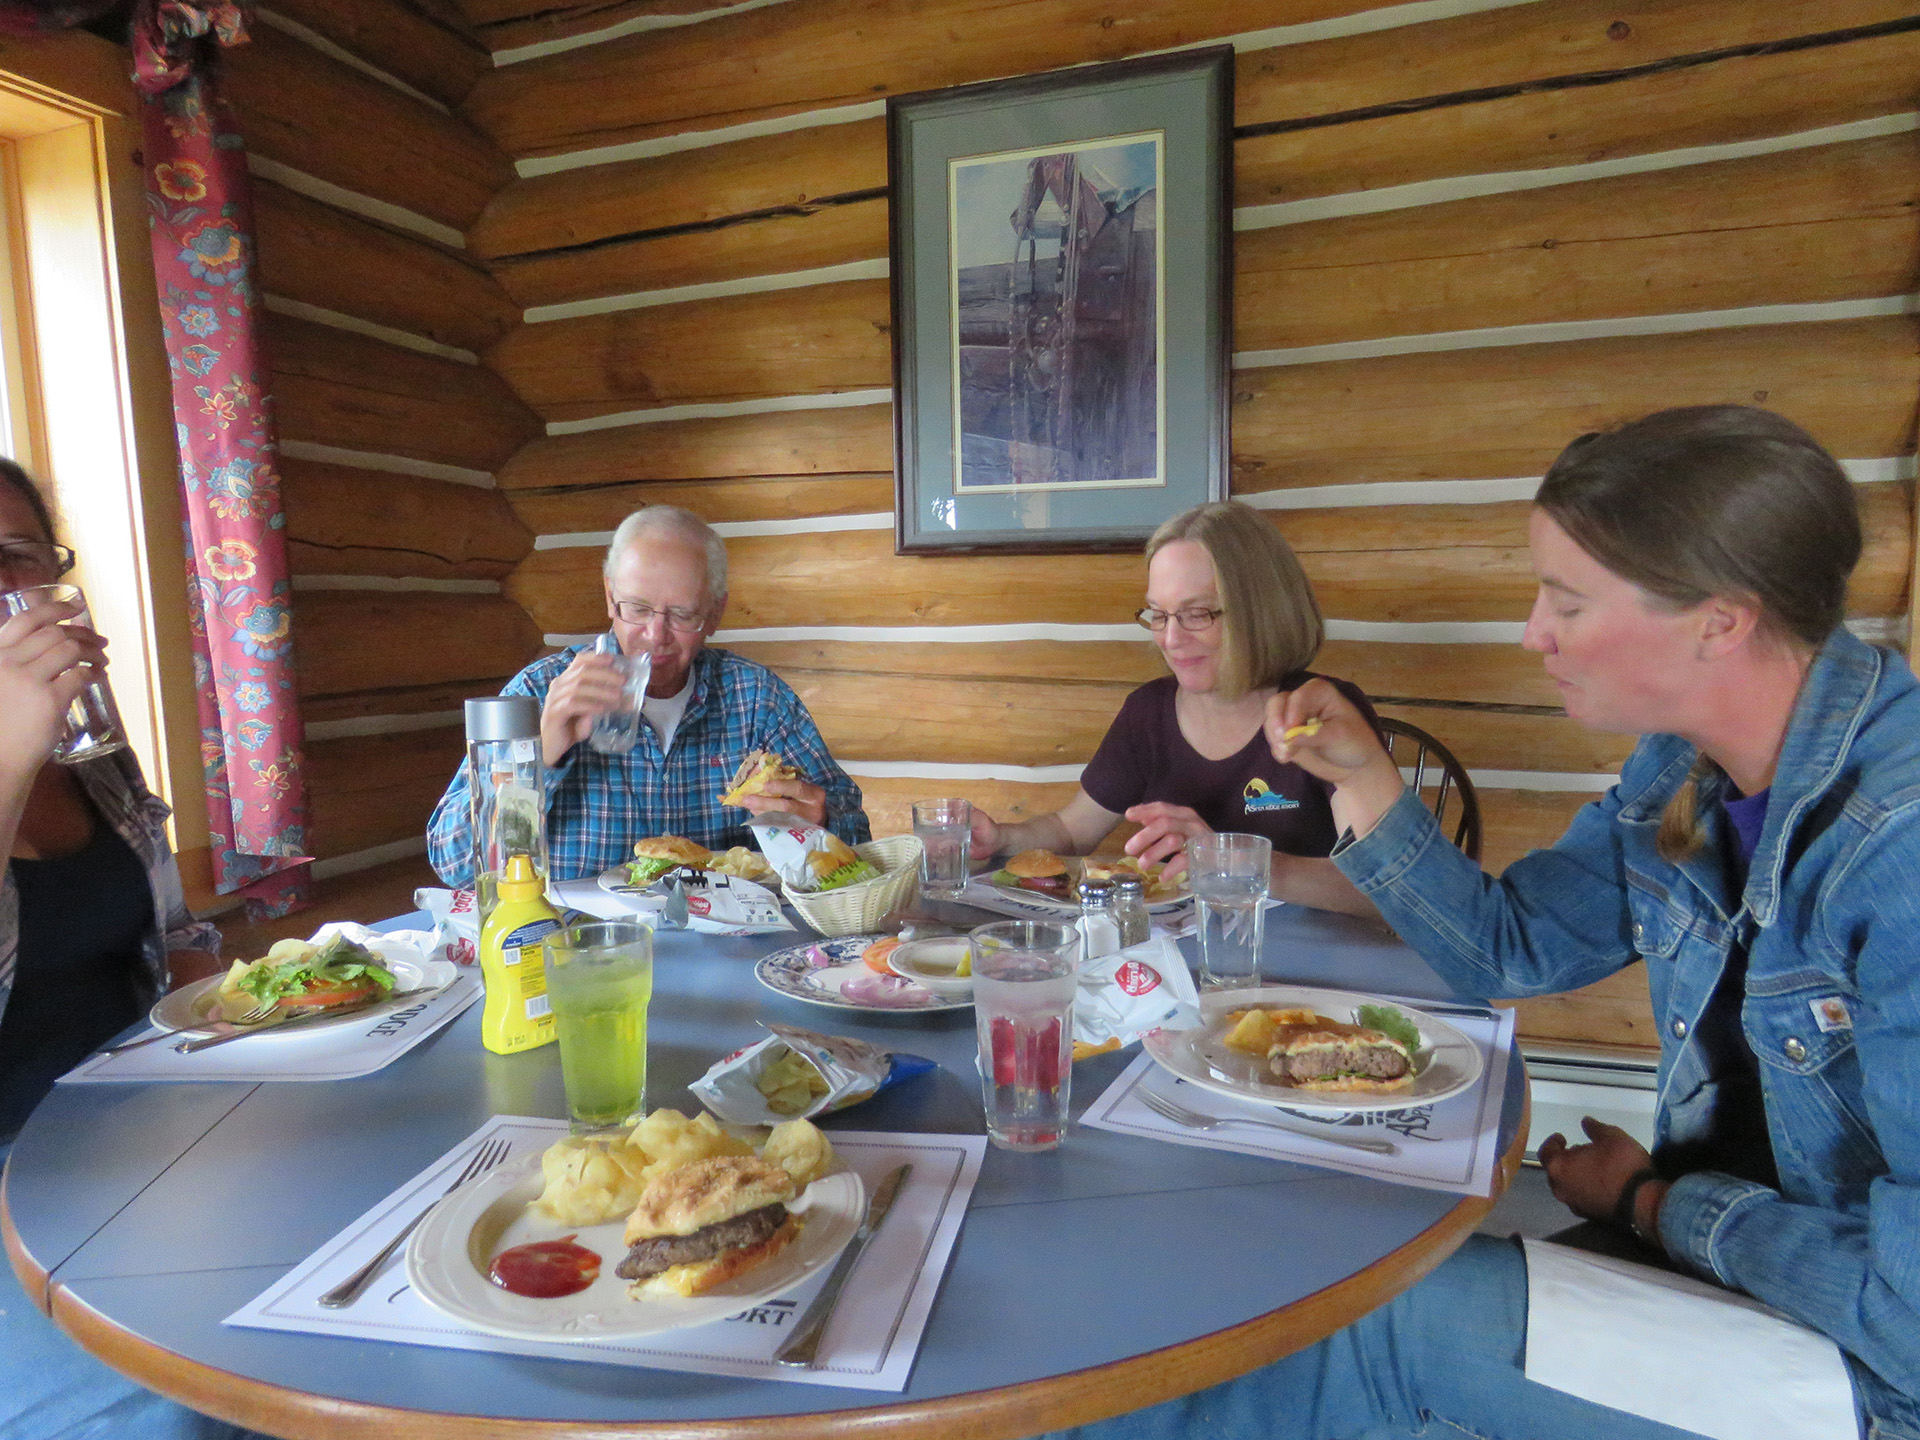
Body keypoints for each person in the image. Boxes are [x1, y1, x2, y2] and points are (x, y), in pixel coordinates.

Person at [1050, 405, 1919, 1440]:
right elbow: (1509, 945)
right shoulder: (1681, 767)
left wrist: (1653, 1205)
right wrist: (1367, 777)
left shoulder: (1897, 848)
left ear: (1718, 621)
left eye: (1566, 599)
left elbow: (1908, 1315)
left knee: (1351, 1323)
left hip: (1865, 1376)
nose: (1532, 633)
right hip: (1748, 1273)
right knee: (1285, 1271)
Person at [0, 459, 265, 1439]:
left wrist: (248, 1030)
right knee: (184, 1413)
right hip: (22, 1185)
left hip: (145, 1131)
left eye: (17, 556)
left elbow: (172, 941)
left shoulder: (92, 748)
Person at [969, 500, 1378, 915]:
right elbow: (1070, 833)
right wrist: (1000, 838)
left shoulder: (1322, 715)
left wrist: (1232, 861)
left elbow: (1378, 891)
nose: (1170, 639)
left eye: (1196, 614)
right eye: (1159, 615)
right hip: (1175, 961)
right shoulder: (1148, 712)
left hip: (1313, 963)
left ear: (1259, 613)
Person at [427, 504, 869, 886]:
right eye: (637, 609)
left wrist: (821, 823)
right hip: (578, 951)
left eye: (682, 614)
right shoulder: (538, 694)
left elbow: (858, 839)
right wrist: (536, 758)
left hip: (725, 949)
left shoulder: (756, 698)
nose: (654, 635)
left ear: (714, 614)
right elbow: (458, 864)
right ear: (608, 596)